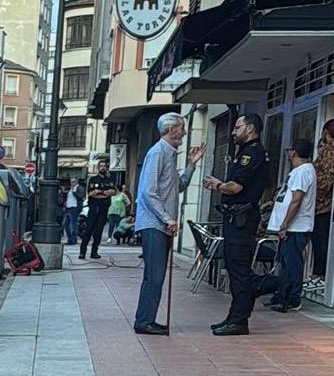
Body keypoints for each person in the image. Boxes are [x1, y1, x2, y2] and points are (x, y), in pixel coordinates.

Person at [132, 113, 205, 335]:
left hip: (160, 224)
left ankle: (146, 319)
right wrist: (168, 218)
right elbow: (148, 192)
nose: (184, 132)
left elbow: (177, 187)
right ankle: (144, 321)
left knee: (157, 275)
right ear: (171, 129)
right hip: (154, 223)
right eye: (181, 128)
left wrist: (191, 166)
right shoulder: (158, 153)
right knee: (154, 275)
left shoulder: (169, 155)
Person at [204, 113, 270, 336]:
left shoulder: (252, 153)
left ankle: (241, 318)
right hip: (236, 218)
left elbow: (236, 187)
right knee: (235, 269)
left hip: (242, 219)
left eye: (237, 127)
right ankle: (235, 316)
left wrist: (217, 185)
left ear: (250, 128)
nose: (232, 132)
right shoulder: (245, 152)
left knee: (240, 271)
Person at [261, 139, 316, 313]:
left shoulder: (303, 171)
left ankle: (292, 298)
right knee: (284, 263)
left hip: (295, 227)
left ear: (293, 152)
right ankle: (281, 294)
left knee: (292, 263)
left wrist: (285, 224)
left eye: (289, 150)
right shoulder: (299, 171)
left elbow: (296, 200)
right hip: (290, 228)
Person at [307, 119, 334, 293]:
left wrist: (314, 193)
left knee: (320, 241)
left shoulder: (329, 152)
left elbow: (327, 179)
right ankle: (317, 275)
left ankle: (319, 276)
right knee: (319, 241)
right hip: (322, 205)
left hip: (322, 206)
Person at [80, 160, 117, 260]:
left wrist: (100, 192)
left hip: (104, 208)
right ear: (98, 168)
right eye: (101, 166)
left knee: (99, 231)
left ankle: (94, 252)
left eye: (104, 166)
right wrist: (105, 193)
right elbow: (91, 193)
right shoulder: (93, 179)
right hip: (94, 208)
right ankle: (82, 252)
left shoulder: (109, 180)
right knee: (89, 229)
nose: (103, 168)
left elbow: (113, 192)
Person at [63, 177, 84, 245]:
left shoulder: (79, 188)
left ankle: (73, 240)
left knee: (73, 225)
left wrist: (74, 192)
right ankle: (70, 239)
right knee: (66, 224)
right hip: (68, 208)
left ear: (77, 182)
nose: (72, 183)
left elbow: (81, 196)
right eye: (71, 182)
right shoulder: (70, 189)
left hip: (74, 207)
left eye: (73, 182)